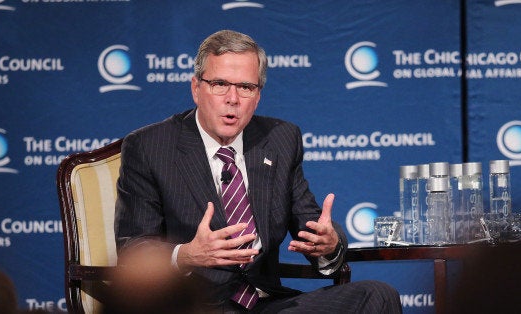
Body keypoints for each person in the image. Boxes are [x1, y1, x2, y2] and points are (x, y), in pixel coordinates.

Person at [114, 29, 402, 313]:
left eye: (246, 87)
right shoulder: (150, 147)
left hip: (267, 303)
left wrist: (328, 243)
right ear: (196, 88)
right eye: (219, 84)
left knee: (377, 295)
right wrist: (186, 254)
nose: (232, 98)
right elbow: (134, 249)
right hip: (195, 305)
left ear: (258, 95)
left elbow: (311, 224)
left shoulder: (279, 140)